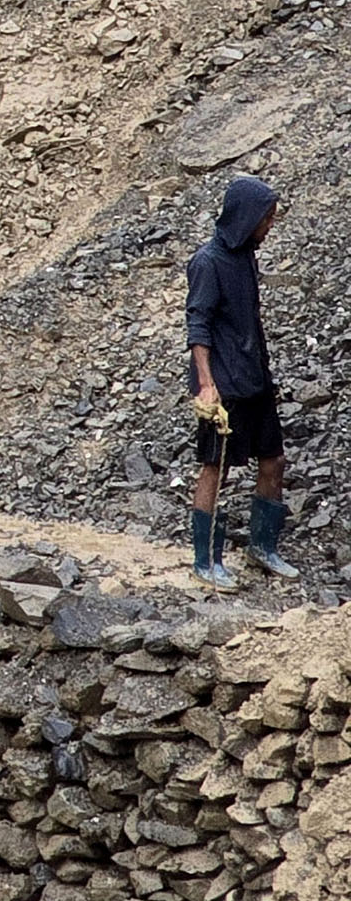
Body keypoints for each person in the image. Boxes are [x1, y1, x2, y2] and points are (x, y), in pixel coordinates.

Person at [190, 173, 293, 590]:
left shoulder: (246, 254)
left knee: (274, 461)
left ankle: (262, 546)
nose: (269, 227)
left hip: (255, 379)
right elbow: (197, 324)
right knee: (215, 468)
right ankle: (205, 559)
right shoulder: (208, 262)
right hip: (224, 384)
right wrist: (206, 385)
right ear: (247, 217)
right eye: (265, 219)